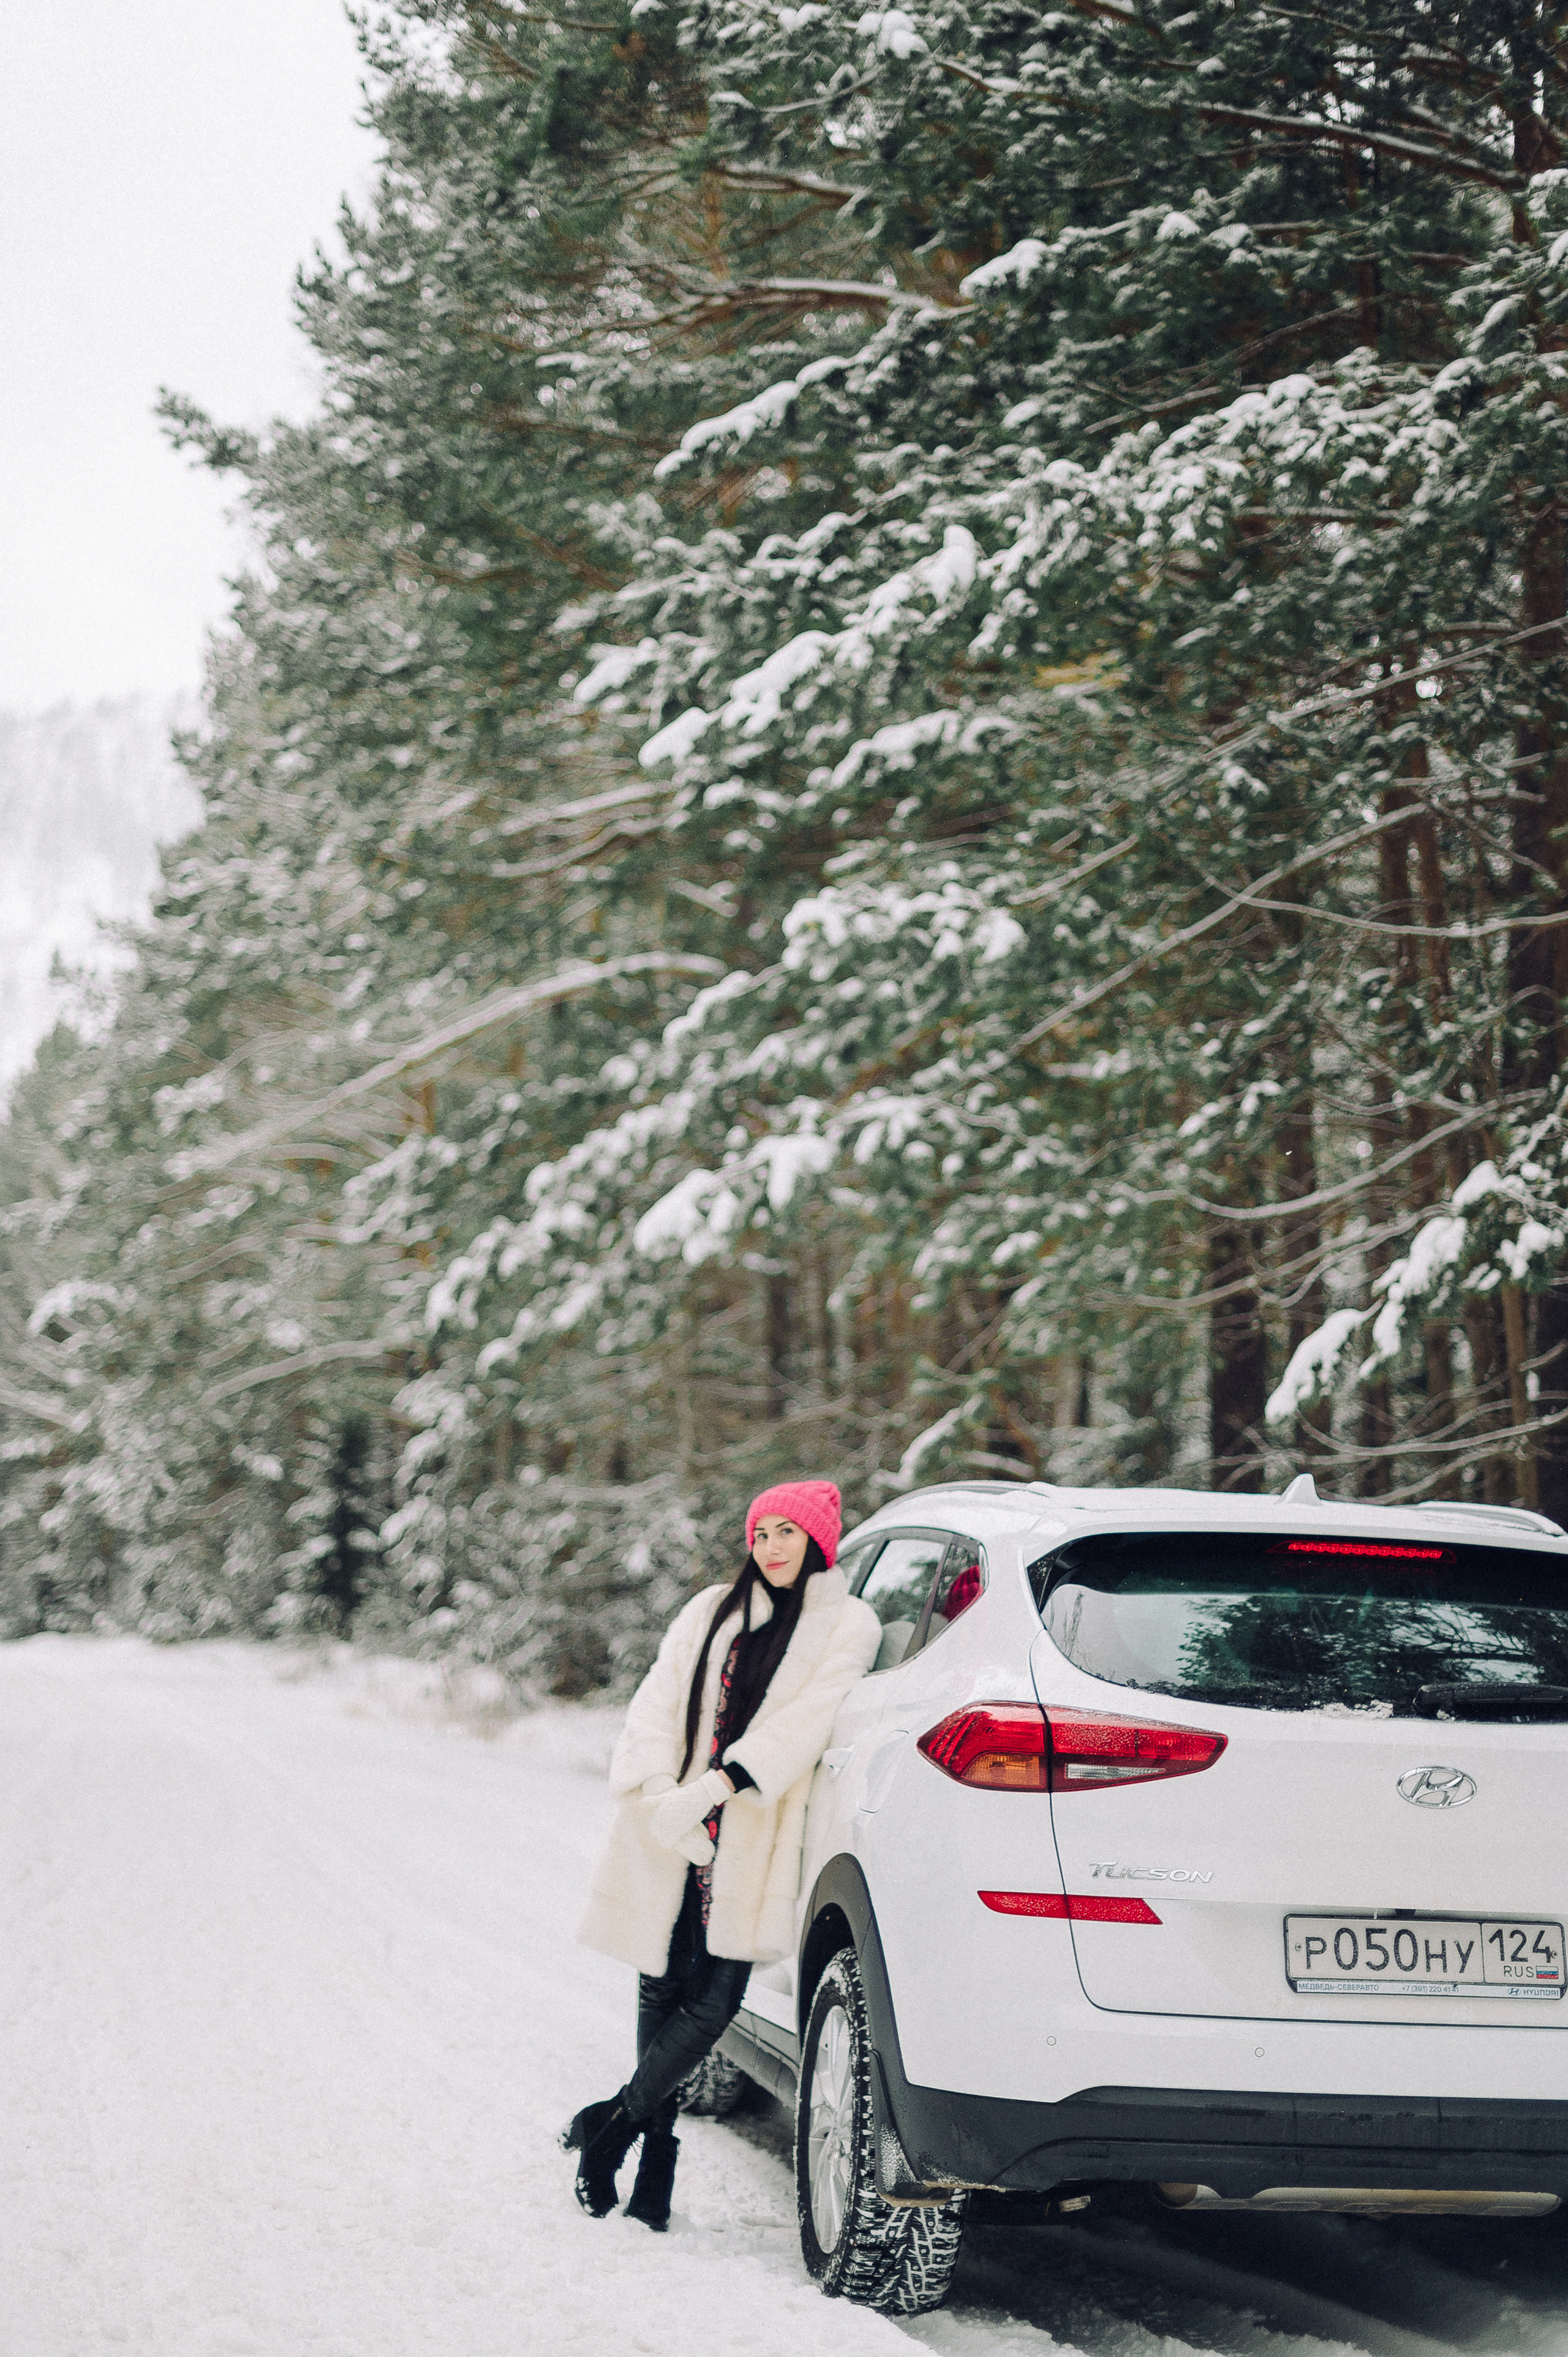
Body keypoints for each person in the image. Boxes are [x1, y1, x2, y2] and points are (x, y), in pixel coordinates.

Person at [564, 1478, 880, 2229]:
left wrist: (718, 1785)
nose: (770, 1546)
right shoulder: (710, 1608)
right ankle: (654, 2173)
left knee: (714, 2000)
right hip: (672, 1822)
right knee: (660, 1987)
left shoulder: (848, 1624)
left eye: (787, 1532)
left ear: (817, 1541)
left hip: (745, 1822)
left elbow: (812, 1718)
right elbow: (656, 1696)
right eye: (761, 1531)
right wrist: (654, 1790)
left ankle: (611, 2130)